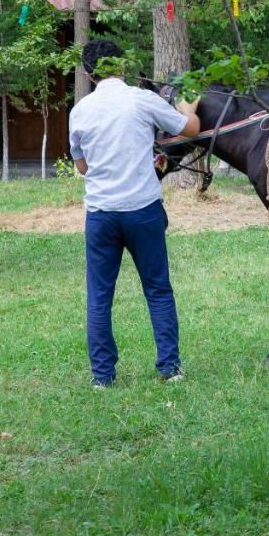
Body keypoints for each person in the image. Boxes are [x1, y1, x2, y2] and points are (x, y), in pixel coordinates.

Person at [68, 39, 200, 387]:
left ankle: (102, 376)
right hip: (142, 209)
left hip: (100, 214)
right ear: (122, 65)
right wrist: (188, 107)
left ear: (87, 72)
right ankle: (169, 367)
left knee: (99, 296)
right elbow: (191, 130)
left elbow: (81, 166)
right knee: (157, 289)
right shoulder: (142, 100)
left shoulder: (79, 111)